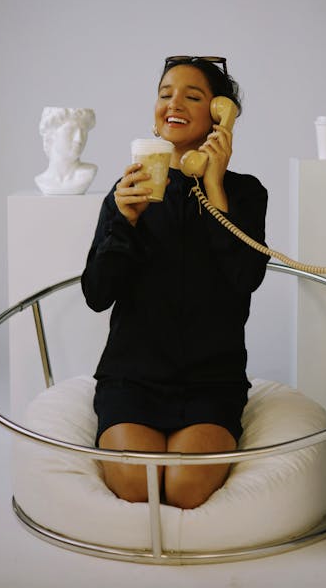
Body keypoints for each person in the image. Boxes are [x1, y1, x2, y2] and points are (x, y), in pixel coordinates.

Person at [81, 56, 268, 509]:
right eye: (165, 94)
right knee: (134, 483)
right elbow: (96, 294)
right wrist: (123, 222)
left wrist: (216, 189)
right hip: (133, 376)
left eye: (193, 95)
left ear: (221, 115)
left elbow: (247, 278)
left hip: (210, 380)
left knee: (184, 488)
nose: (174, 104)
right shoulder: (127, 191)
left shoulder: (246, 193)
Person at [35, 107, 97, 195]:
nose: (79, 139)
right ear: (51, 135)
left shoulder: (87, 173)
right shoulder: (42, 180)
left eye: (83, 132)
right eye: (70, 131)